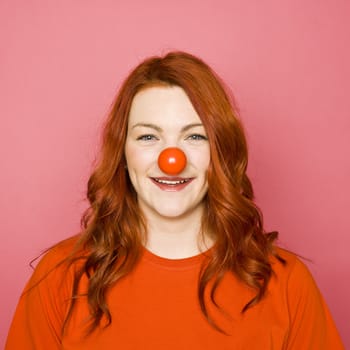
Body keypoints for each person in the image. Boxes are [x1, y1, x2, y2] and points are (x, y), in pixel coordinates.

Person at [5, 51, 344, 349]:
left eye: (194, 135)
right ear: (123, 152)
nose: (172, 158)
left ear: (220, 152)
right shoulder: (61, 278)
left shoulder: (286, 283)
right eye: (149, 136)